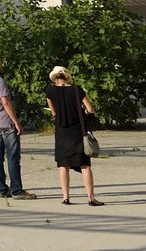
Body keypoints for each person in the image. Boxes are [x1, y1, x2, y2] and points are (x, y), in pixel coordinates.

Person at [0, 51, 37, 199]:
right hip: (6, 122)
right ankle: (17, 190)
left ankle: (1, 188)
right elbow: (5, 102)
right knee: (13, 157)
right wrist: (16, 122)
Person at [45, 65, 103, 206]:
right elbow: (90, 109)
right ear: (67, 76)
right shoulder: (76, 90)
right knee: (84, 164)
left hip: (61, 132)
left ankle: (66, 197)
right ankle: (91, 197)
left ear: (54, 78)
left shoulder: (50, 90)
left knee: (63, 165)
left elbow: (53, 112)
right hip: (77, 131)